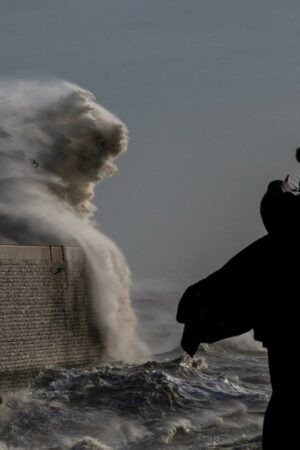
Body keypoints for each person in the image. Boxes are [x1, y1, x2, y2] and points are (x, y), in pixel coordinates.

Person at [177, 168, 300, 449]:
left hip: (287, 330)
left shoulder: (288, 220)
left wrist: (280, 187)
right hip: (284, 329)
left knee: (285, 403)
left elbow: (275, 207)